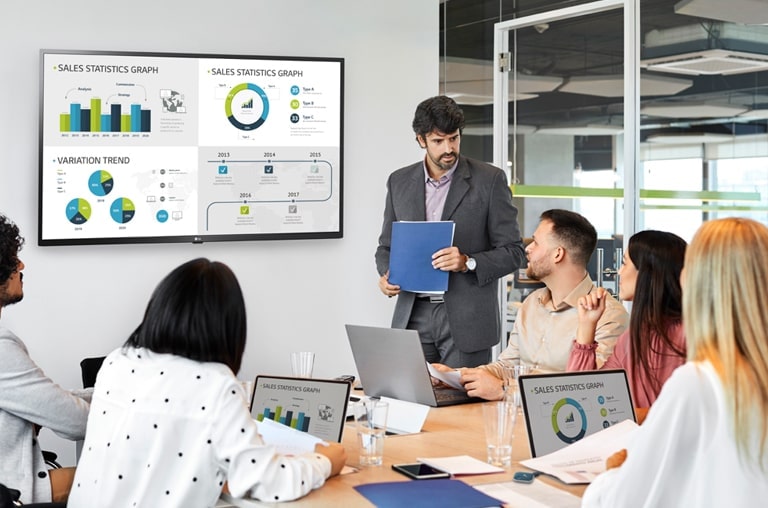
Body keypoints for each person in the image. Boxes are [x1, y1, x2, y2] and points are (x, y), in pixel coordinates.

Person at [68, 258, 346, 507]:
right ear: (228, 327)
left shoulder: (117, 361)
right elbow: (268, 482)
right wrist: (325, 461)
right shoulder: (215, 386)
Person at [582, 217, 768, 507]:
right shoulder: (751, 374)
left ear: (697, 280)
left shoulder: (700, 381)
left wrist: (617, 468)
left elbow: (621, 500)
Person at [375, 95, 526, 368]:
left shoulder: (489, 180)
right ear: (421, 140)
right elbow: (386, 247)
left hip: (467, 319)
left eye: (454, 138)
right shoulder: (399, 181)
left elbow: (514, 252)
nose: (449, 148)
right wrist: (387, 275)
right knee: (410, 392)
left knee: (462, 393)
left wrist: (468, 262)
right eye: (438, 141)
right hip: (412, 314)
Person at [446, 209, 628, 400]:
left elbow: (589, 390)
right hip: (513, 413)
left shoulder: (609, 316)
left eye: (536, 243)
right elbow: (507, 366)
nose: (528, 248)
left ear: (558, 254)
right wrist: (455, 376)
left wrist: (504, 389)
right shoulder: (531, 303)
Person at [0, 213, 90, 504]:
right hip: (13, 492)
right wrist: (140, 403)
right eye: (12, 259)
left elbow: (49, 400)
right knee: (127, 475)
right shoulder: (1, 348)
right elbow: (76, 422)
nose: (21, 266)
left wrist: (114, 394)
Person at [567, 230, 687, 411]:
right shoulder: (633, 337)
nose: (619, 272)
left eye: (624, 263)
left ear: (646, 272)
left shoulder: (690, 336)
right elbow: (582, 396)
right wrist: (587, 325)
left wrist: (636, 415)